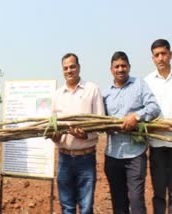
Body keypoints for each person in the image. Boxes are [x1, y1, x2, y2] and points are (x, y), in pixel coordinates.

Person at [103, 51, 160, 214]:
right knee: (118, 201)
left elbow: (154, 108)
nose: (120, 69)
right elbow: (100, 120)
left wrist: (137, 116)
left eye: (123, 66)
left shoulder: (139, 85)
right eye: (117, 66)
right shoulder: (105, 93)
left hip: (135, 154)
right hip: (113, 154)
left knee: (136, 200)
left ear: (129, 67)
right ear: (111, 69)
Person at [51, 53, 105, 214]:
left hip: (85, 158)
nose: (69, 70)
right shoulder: (57, 94)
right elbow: (54, 126)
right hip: (64, 158)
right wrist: (55, 136)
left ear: (79, 67)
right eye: (66, 68)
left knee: (86, 207)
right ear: (62, 71)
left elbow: (101, 124)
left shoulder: (92, 89)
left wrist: (86, 134)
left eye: (72, 66)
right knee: (67, 207)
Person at [144, 39, 172, 214]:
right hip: (157, 146)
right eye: (157, 55)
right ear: (153, 58)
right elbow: (145, 110)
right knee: (159, 193)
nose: (161, 58)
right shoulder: (147, 82)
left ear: (170, 54)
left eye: (164, 53)